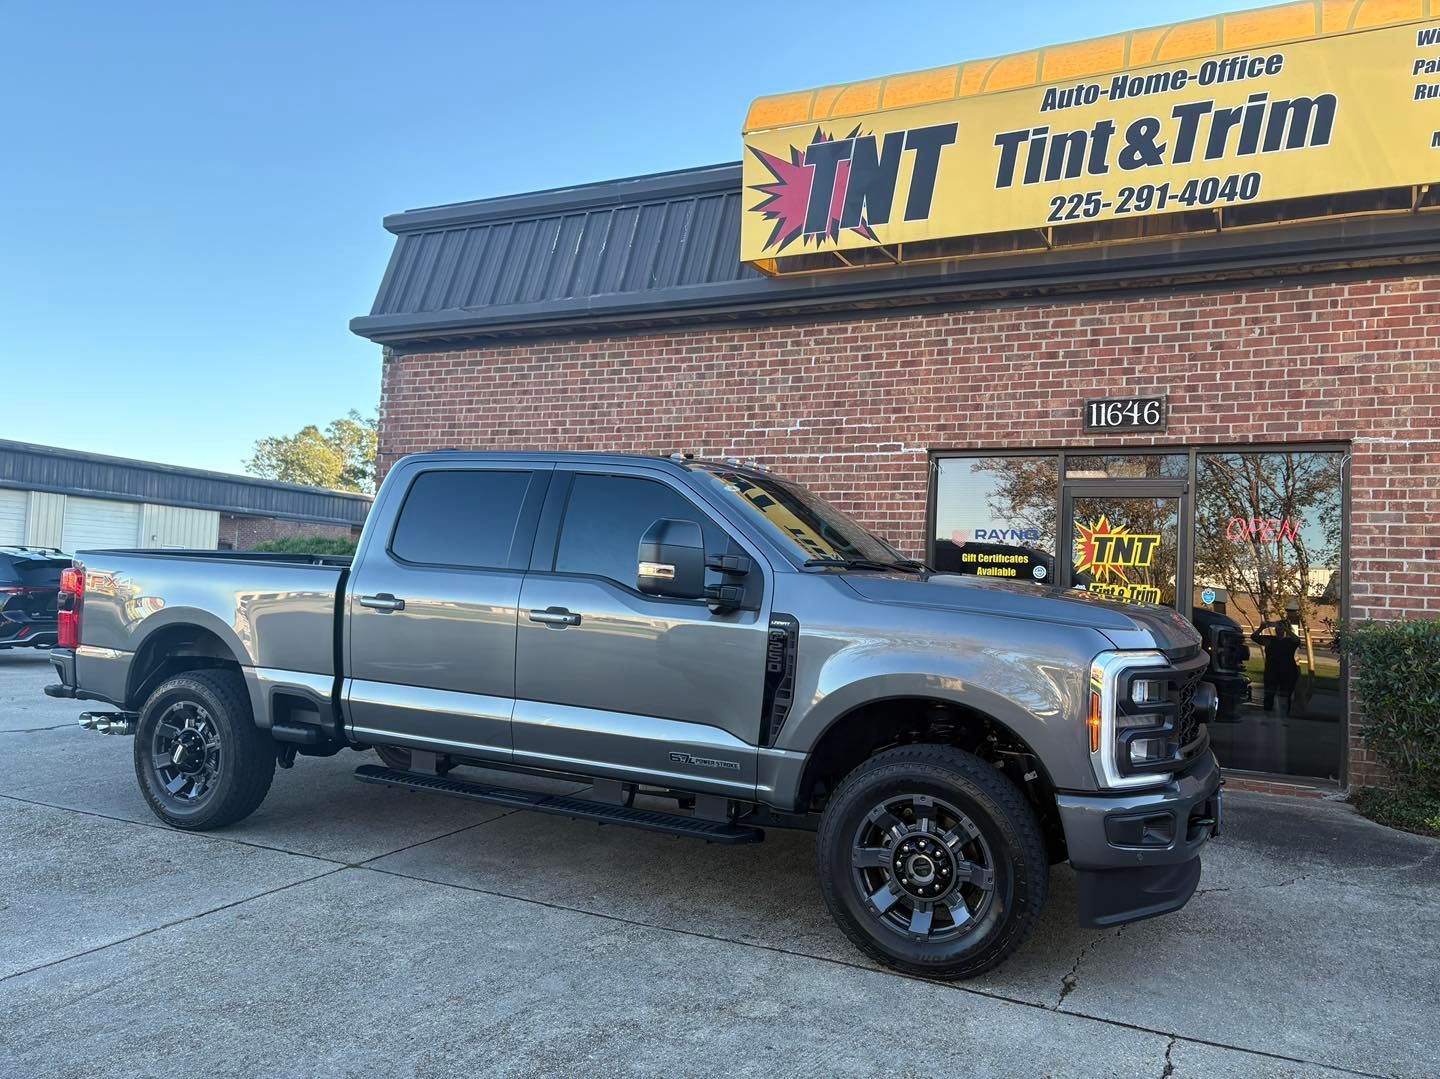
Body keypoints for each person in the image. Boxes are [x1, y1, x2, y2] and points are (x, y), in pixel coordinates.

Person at [1251, 619, 1302, 714]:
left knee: (1285, 694)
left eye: (1282, 629)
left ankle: (1284, 714)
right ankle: (1268, 713)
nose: (1280, 631)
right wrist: (1261, 628)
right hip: (1271, 671)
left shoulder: (1289, 641)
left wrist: (1287, 629)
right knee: (1269, 693)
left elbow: (1297, 640)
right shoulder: (1270, 640)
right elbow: (1254, 637)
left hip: (1288, 671)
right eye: (1278, 628)